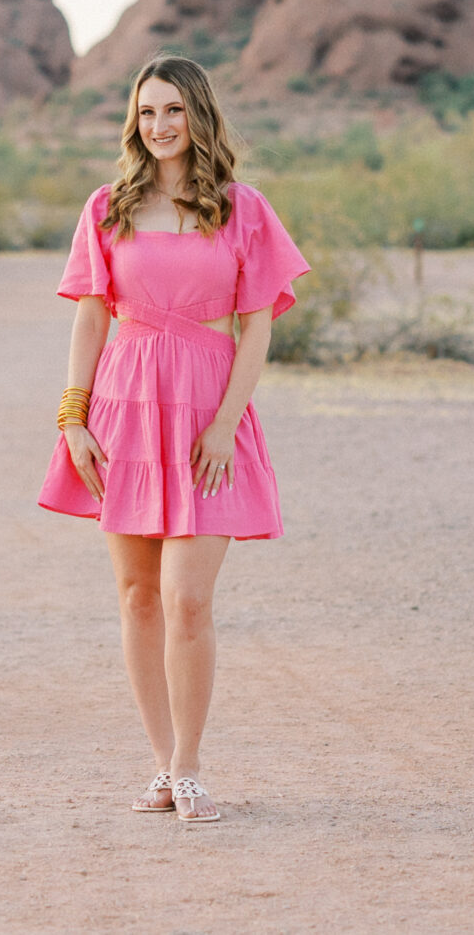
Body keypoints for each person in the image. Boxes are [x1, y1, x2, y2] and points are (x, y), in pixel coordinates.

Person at [37, 55, 309, 821]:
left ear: (199, 115)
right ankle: (159, 761)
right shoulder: (107, 204)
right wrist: (73, 418)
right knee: (136, 596)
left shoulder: (241, 207)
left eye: (173, 111)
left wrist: (225, 423)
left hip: (205, 410)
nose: (158, 126)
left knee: (187, 599)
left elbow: (257, 324)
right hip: (123, 406)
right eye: (146, 111)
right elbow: (91, 314)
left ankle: (190, 764)